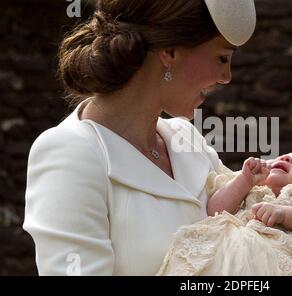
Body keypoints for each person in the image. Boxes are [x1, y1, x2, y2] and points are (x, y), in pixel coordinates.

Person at [23, 0, 257, 275]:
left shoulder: (185, 137)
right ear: (170, 51)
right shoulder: (69, 153)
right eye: (221, 58)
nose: (226, 77)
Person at [157, 152, 292, 276]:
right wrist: (244, 180)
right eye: (284, 156)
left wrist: (284, 214)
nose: (287, 158)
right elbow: (214, 210)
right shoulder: (252, 191)